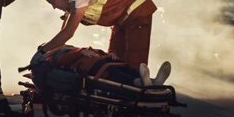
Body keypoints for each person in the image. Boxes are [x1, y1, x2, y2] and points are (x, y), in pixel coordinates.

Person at [40, 0, 158, 72]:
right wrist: (48, 54)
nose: (54, 7)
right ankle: (139, 80)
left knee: (135, 56)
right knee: (114, 56)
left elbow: (68, 33)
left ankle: (141, 81)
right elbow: (62, 38)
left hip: (137, 7)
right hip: (121, 17)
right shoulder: (71, 5)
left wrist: (41, 51)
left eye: (53, 2)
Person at [33, 45, 172, 87]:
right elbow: (65, 60)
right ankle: (142, 82)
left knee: (124, 67)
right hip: (92, 66)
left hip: (102, 59)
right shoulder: (56, 56)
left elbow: (95, 51)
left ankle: (153, 81)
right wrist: (80, 51)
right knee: (115, 73)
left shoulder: (70, 47)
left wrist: (110, 53)